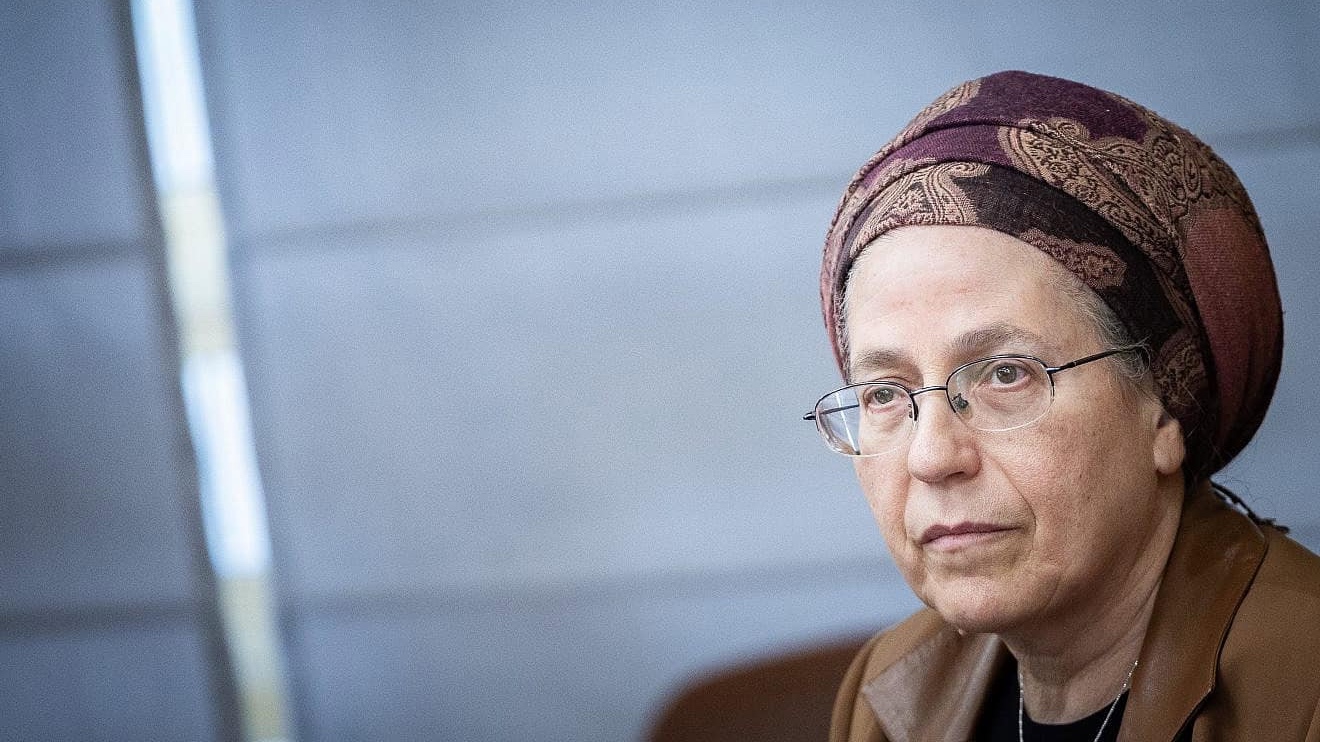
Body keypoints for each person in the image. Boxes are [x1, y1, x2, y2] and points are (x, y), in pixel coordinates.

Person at [806, 70, 1320, 741]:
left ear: (1163, 408)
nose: (933, 456)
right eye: (883, 394)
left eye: (1005, 375)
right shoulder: (887, 692)